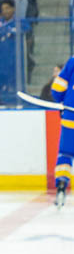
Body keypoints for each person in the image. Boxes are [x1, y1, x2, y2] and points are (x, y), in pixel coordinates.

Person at [52, 57, 74, 205]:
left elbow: (57, 89)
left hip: (70, 117)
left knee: (65, 154)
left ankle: (61, 185)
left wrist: (61, 100)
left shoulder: (73, 61)